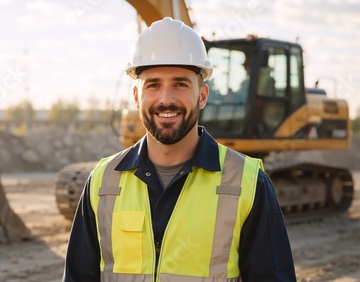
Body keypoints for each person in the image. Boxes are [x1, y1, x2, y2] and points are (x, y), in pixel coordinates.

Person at [63, 17, 296, 282]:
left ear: (203, 95)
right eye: (153, 85)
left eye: (180, 84)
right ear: (137, 97)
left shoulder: (249, 183)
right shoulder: (102, 181)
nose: (166, 99)